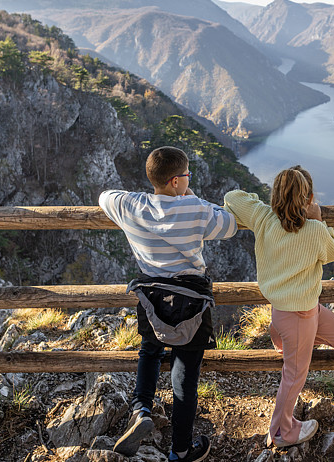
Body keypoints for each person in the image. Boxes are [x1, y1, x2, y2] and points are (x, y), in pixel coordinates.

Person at [98, 146, 237, 462]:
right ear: (176, 181)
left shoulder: (131, 206)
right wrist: (197, 201)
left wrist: (141, 195)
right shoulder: (196, 210)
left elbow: (105, 196)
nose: (189, 180)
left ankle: (142, 408)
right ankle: (181, 451)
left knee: (149, 349)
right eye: (187, 175)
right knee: (185, 375)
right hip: (192, 300)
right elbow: (228, 225)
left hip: (152, 297)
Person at [223, 166, 334, 448]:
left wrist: (268, 205)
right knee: (294, 377)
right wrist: (319, 218)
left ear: (276, 196)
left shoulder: (263, 217)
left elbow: (232, 197)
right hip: (299, 316)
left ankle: (283, 336)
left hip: (294, 314)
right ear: (308, 199)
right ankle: (281, 432)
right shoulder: (315, 230)